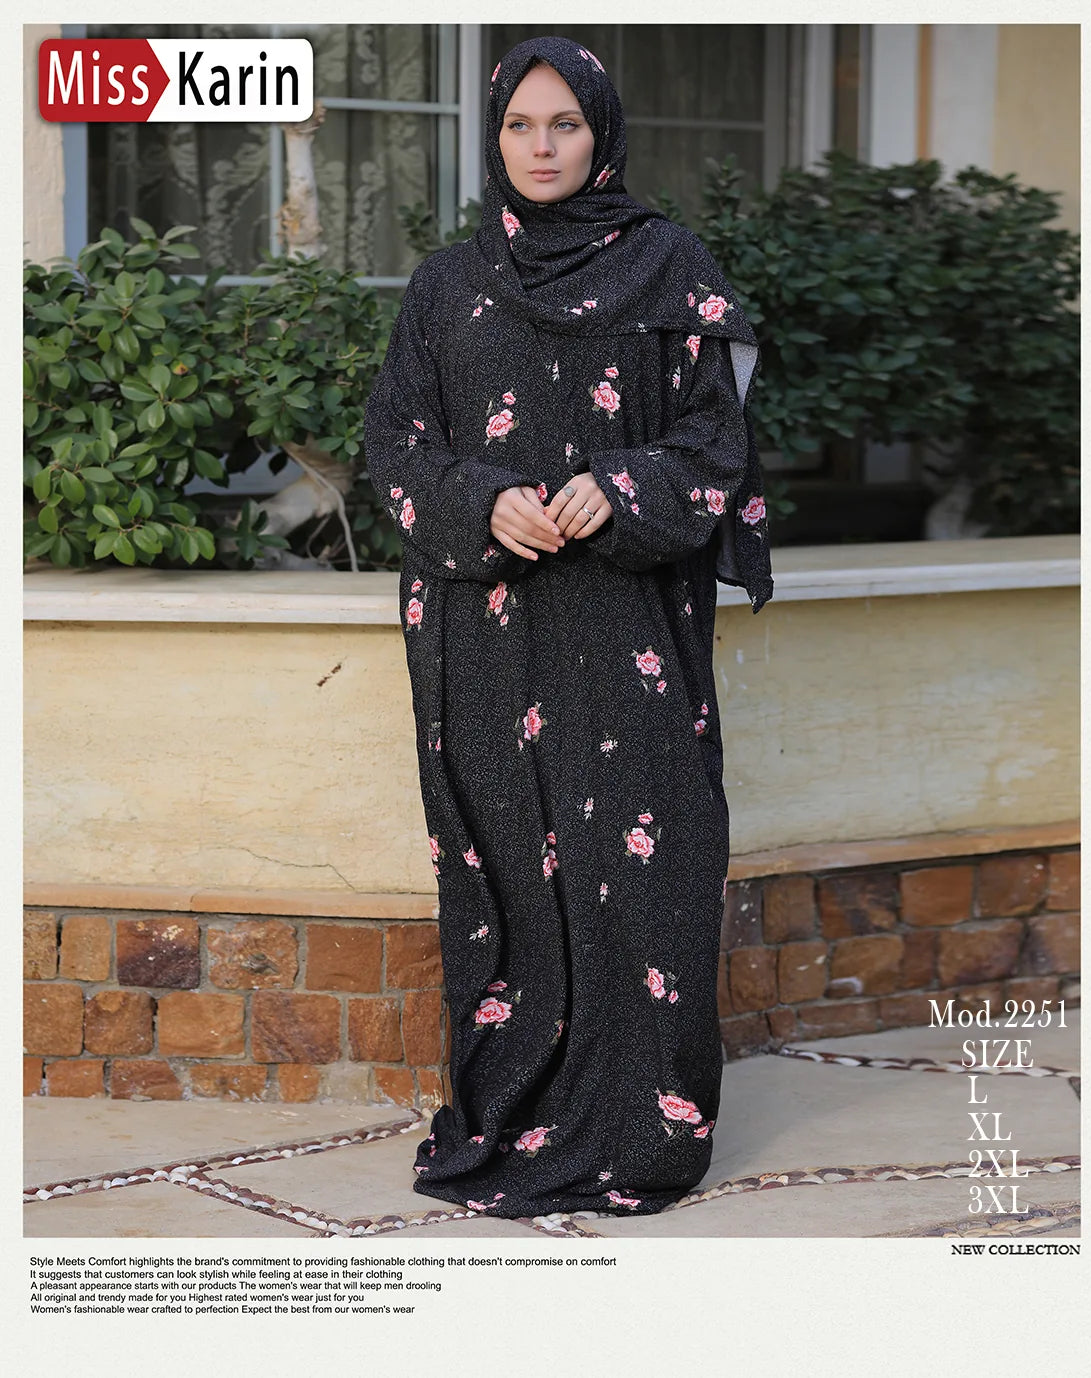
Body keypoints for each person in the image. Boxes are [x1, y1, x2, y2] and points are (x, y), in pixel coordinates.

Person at [362, 35, 774, 1219]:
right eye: (518, 128)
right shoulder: (447, 285)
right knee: (511, 872)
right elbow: (395, 446)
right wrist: (480, 499)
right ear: (493, 140)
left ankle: (647, 1128)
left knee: (652, 864)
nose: (541, 148)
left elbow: (717, 442)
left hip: (628, 622)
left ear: (601, 134)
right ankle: (513, 1112)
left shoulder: (670, 268)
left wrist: (627, 483)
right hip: (487, 634)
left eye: (565, 126)